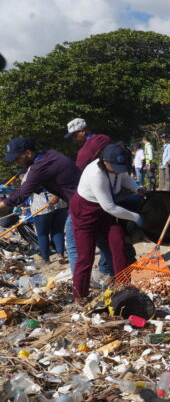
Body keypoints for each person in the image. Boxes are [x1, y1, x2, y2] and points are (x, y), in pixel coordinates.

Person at [70, 144, 144, 300]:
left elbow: (123, 178)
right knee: (86, 256)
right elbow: (110, 207)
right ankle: (79, 296)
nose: (118, 169)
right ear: (104, 161)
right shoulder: (96, 175)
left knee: (118, 243)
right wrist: (136, 217)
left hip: (105, 211)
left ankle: (123, 286)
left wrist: (137, 189)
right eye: (115, 166)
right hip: (85, 211)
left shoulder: (117, 168)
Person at [0, 138, 81, 270]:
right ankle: (108, 271)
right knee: (62, 233)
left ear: (28, 153)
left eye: (17, 158)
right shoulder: (51, 155)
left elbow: (21, 196)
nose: (16, 163)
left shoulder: (38, 168)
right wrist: (12, 191)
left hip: (77, 205)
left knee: (70, 246)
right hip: (74, 202)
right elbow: (30, 189)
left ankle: (79, 285)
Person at [65, 118, 114, 274]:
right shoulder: (103, 139)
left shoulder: (84, 152)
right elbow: (105, 139)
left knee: (73, 245)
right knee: (106, 237)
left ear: (83, 131)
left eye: (75, 135)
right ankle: (107, 267)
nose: (74, 139)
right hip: (109, 191)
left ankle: (81, 279)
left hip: (89, 198)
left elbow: (75, 176)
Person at [28, 185, 68, 264]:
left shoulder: (30, 175)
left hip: (41, 205)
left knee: (43, 234)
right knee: (58, 231)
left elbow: (24, 192)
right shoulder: (57, 172)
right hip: (61, 203)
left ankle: (45, 259)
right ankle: (60, 254)